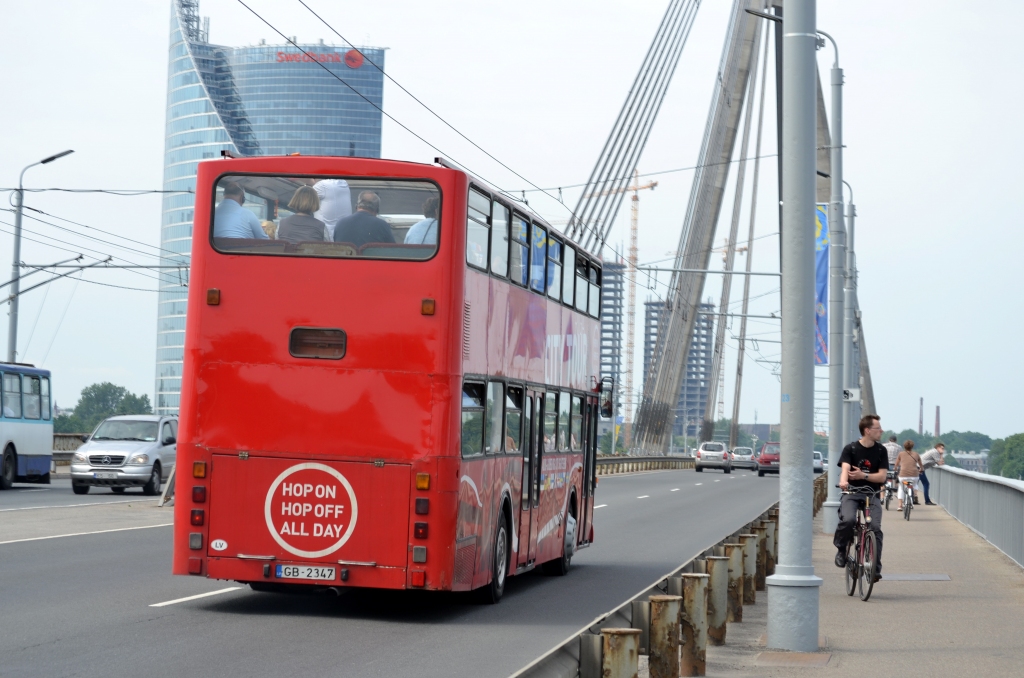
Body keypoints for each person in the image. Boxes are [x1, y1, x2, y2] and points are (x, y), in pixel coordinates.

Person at [834, 414, 889, 581]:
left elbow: (882, 477)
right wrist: (843, 481)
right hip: (851, 493)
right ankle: (842, 549)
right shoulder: (850, 449)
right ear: (867, 430)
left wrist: (862, 475)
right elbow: (845, 469)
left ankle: (875, 568)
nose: (881, 430)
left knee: (875, 528)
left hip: (871, 494)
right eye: (878, 428)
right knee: (848, 520)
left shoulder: (881, 450)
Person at [894, 440, 923, 511]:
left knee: (901, 487)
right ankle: (915, 494)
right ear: (912, 447)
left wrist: (895, 469)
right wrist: (921, 469)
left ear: (904, 446)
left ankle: (900, 505)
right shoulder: (916, 454)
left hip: (903, 476)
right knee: (914, 484)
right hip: (914, 476)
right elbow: (920, 464)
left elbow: (896, 464)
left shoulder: (901, 454)